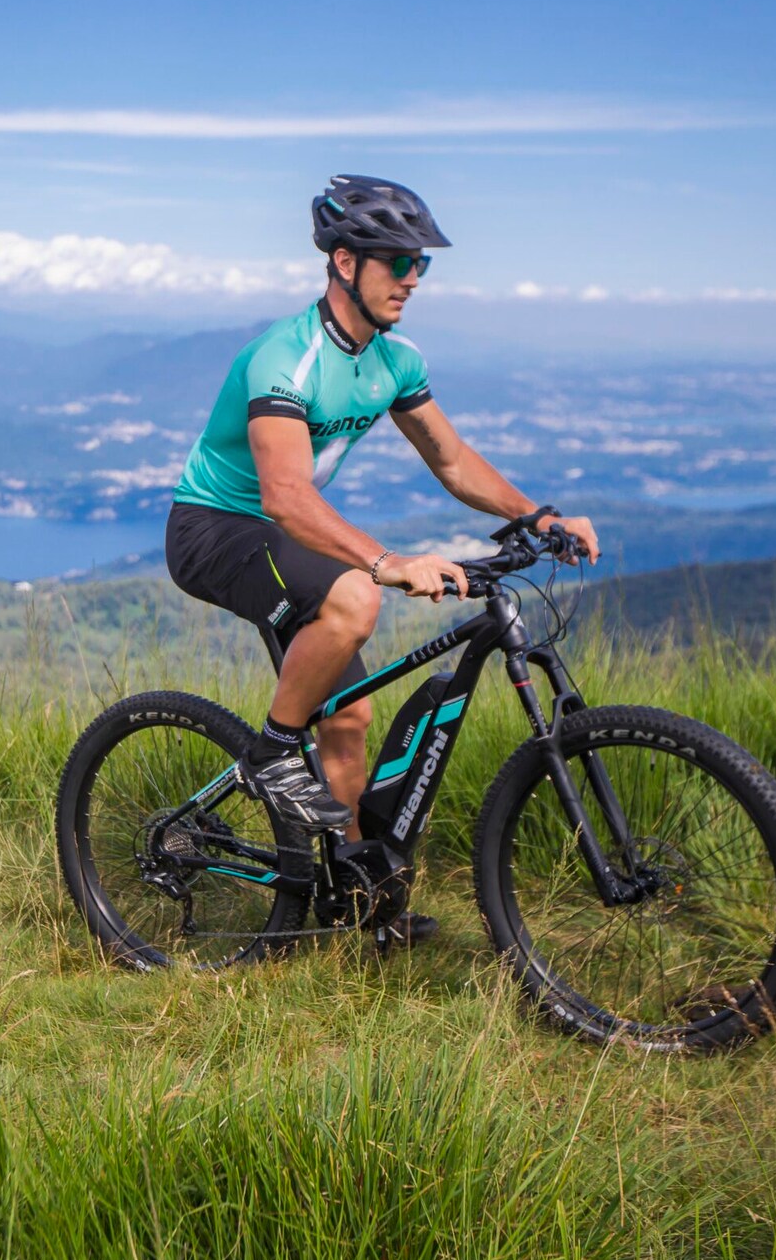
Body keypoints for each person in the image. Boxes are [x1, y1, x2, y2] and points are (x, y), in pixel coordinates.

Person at [164, 174, 601, 946]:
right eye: (396, 261)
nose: (412, 278)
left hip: (281, 533)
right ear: (342, 262)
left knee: (352, 712)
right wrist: (388, 561)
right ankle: (268, 757)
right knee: (356, 599)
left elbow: (453, 460)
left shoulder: (393, 361)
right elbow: (287, 499)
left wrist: (537, 515)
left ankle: (356, 902)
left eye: (421, 264)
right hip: (215, 529)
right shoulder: (286, 360)